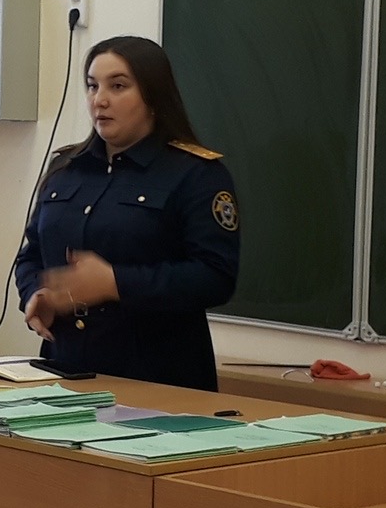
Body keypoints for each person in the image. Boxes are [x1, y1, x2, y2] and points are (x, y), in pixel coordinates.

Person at [15, 36, 240, 391]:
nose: (99, 100)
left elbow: (214, 277)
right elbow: (31, 255)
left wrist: (115, 283)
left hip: (159, 380)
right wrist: (35, 293)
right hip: (64, 373)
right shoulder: (66, 167)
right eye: (92, 86)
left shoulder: (196, 174)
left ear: (153, 96)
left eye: (117, 86)